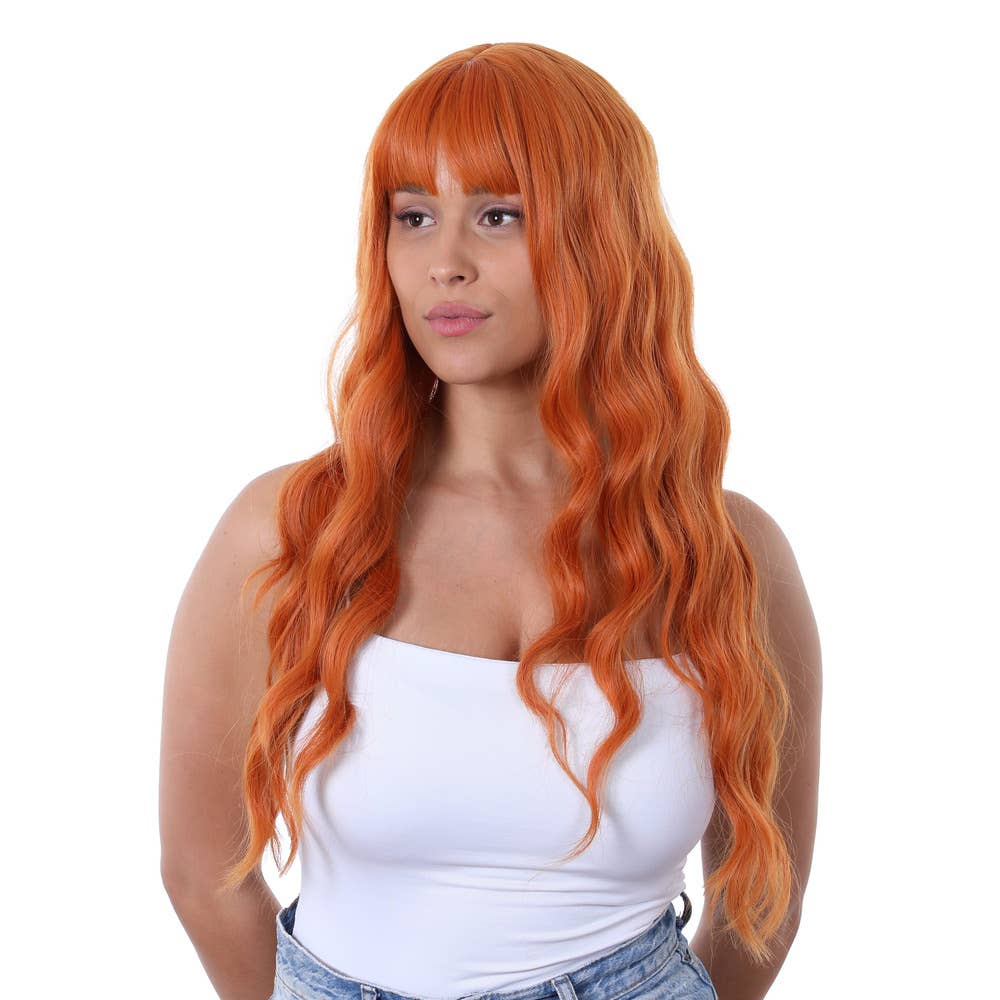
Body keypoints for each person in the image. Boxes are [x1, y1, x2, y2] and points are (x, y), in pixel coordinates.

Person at [159, 42, 821, 1000]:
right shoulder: (293, 529)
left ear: (601, 236)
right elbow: (200, 872)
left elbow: (764, 897)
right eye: (414, 217)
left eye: (498, 215)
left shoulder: (723, 551)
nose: (446, 264)